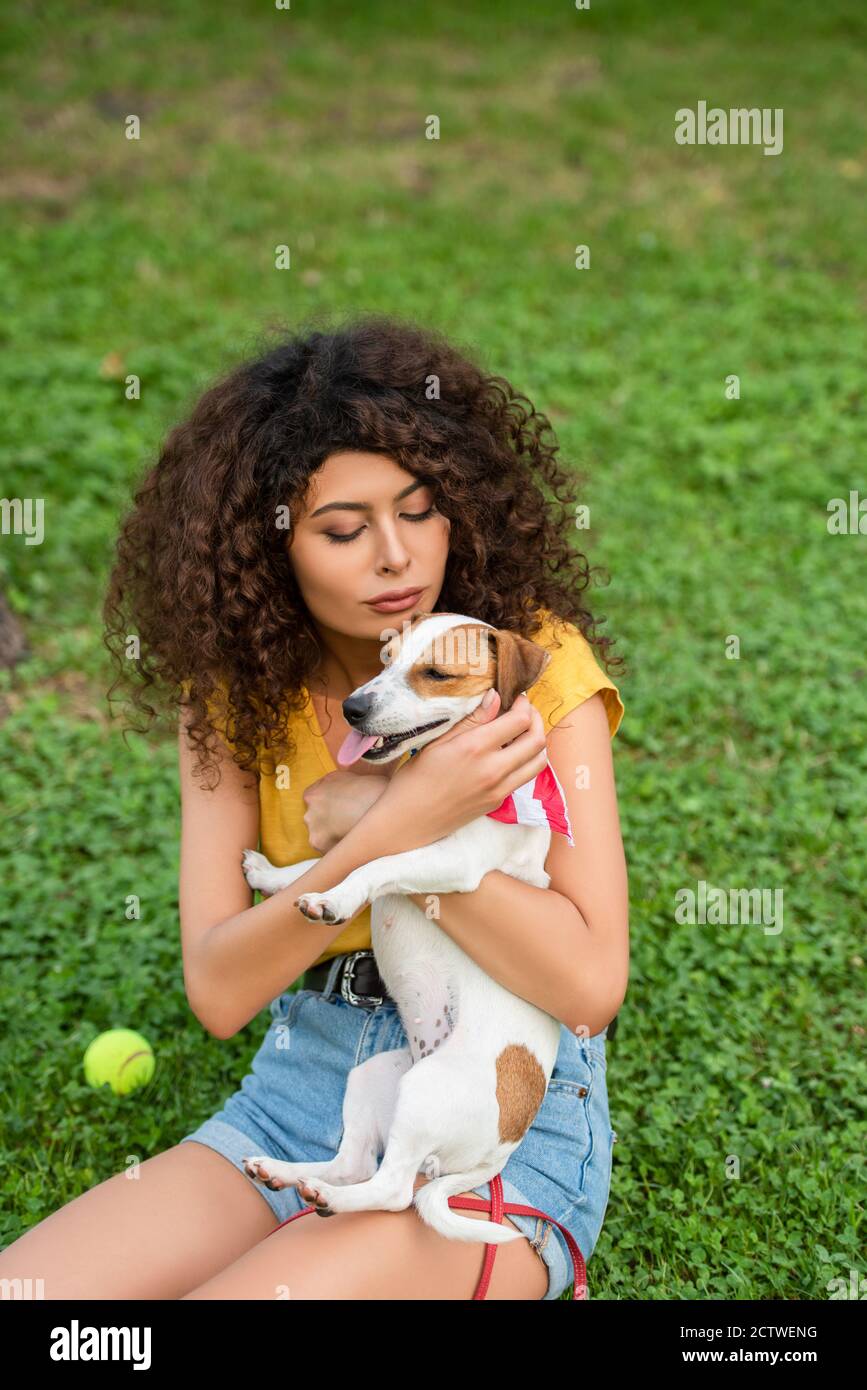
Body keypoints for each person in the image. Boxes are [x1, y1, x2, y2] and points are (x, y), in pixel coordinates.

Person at [0, 315, 629, 1299]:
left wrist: (411, 822)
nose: (395, 557)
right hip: (302, 1089)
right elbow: (218, 986)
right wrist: (394, 822)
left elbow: (589, 983)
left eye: (421, 510)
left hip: (498, 1122)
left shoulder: (517, 669)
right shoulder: (236, 694)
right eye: (343, 530)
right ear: (270, 544)